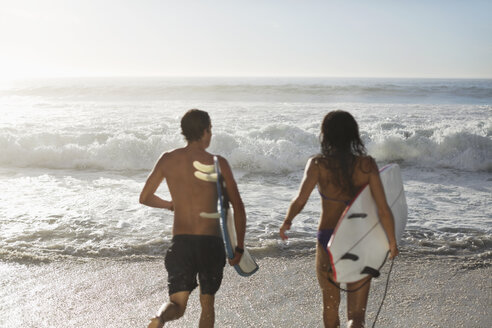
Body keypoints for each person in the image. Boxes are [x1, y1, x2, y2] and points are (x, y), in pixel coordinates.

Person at [279, 110, 399, 328]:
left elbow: (300, 200)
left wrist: (287, 221)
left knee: (330, 306)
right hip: (360, 240)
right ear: (354, 134)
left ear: (326, 134)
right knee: (356, 316)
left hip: (328, 241)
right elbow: (383, 209)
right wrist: (391, 241)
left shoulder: (317, 164)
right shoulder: (367, 165)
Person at [140, 109, 246, 328]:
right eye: (210, 130)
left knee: (177, 304)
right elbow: (238, 206)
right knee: (207, 304)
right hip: (210, 243)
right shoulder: (218, 163)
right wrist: (239, 248)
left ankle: (160, 318)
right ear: (206, 131)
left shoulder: (168, 159)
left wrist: (170, 204)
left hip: (182, 243)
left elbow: (145, 197)